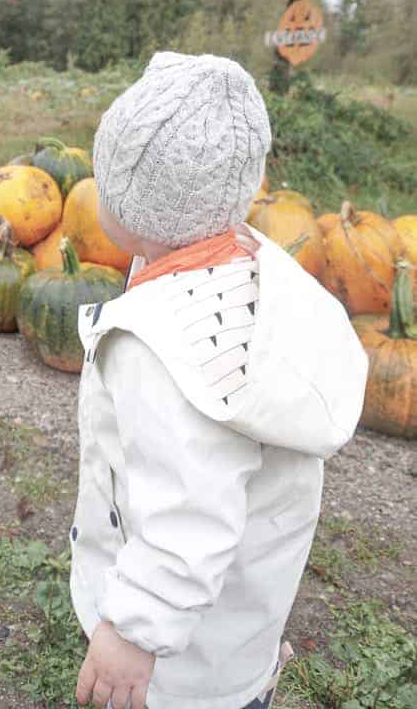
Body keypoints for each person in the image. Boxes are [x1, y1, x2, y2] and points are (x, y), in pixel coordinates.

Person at [71, 52, 368, 709]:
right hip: (235, 640)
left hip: (171, 672)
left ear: (124, 201)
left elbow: (187, 517)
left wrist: (132, 634)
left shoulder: (158, 350)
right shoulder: (258, 277)